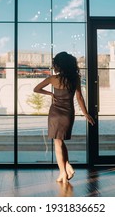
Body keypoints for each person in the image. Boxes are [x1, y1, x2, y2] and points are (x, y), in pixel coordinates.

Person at [33, 51, 95, 184]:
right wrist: (86, 114)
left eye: (55, 64)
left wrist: (50, 93)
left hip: (55, 113)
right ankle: (66, 167)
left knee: (58, 142)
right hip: (68, 114)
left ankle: (63, 172)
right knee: (60, 141)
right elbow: (79, 97)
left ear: (59, 65)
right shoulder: (75, 78)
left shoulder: (52, 79)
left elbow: (36, 89)